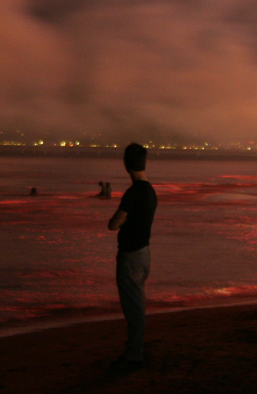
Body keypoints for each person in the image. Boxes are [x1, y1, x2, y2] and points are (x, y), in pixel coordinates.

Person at [108, 143, 158, 369]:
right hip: (144, 252)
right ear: (145, 162)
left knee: (133, 306)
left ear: (126, 164)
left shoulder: (134, 192)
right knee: (137, 302)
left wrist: (121, 220)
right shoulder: (150, 191)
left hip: (131, 255)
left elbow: (113, 223)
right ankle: (135, 350)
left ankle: (134, 353)